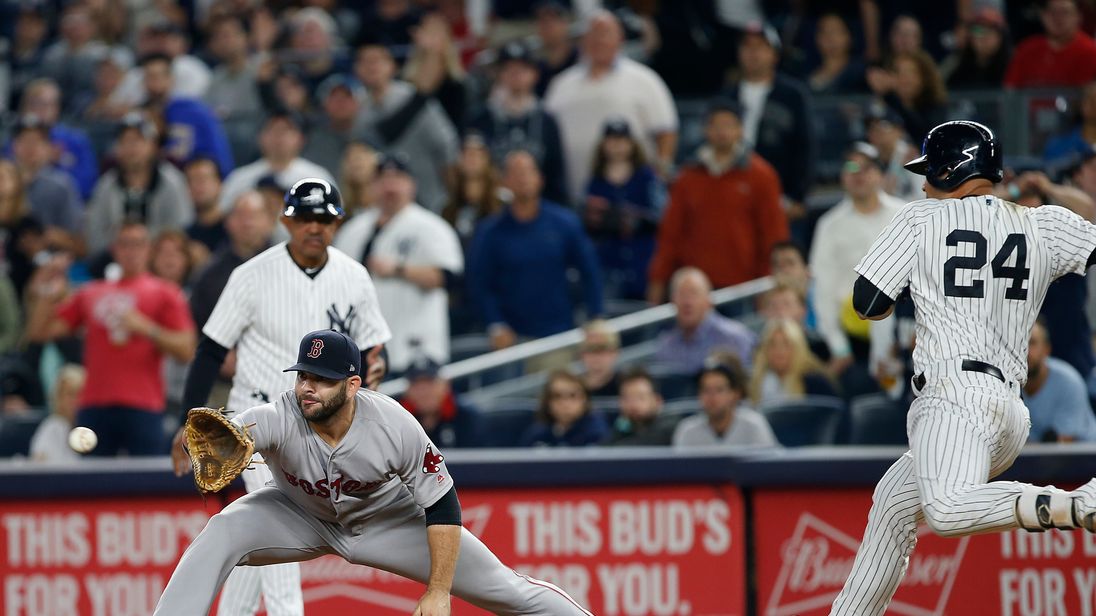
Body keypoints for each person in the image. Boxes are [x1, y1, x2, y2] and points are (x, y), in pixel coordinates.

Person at [831, 120, 1096, 615]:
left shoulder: (920, 220)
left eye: (931, 173)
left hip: (954, 397)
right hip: (1010, 414)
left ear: (954, 170)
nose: (925, 184)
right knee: (892, 506)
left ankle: (1077, 504)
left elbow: (867, 303)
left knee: (948, 509)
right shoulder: (1042, 223)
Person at [161, 329, 592, 615]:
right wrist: (232, 434)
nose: (308, 387)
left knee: (508, 591)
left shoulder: (393, 424)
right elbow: (246, 427)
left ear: (352, 386)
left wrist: (439, 590)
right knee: (222, 532)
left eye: (323, 379)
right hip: (299, 515)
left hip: (389, 521)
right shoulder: (279, 414)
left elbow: (442, 503)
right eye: (303, 375)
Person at [177, 179, 390, 616]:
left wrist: (375, 368)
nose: (315, 227)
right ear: (287, 219)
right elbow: (211, 350)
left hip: (322, 425)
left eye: (324, 219)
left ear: (338, 222)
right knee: (282, 516)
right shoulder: (251, 275)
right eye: (306, 217)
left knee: (258, 534)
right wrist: (188, 420)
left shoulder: (353, 276)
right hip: (255, 420)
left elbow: (373, 348)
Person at [24, 223, 196, 457]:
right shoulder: (90, 292)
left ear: (148, 250)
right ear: (114, 250)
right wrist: (46, 293)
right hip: (94, 403)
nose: (130, 251)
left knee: (145, 484)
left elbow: (187, 349)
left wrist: (147, 328)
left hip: (144, 403)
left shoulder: (165, 292)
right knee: (92, 484)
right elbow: (39, 333)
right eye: (125, 244)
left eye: (137, 244)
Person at [333, 153, 464, 373]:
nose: (390, 186)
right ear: (372, 186)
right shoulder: (353, 230)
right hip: (361, 349)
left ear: (412, 184)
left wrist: (399, 269)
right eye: (383, 179)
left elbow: (450, 279)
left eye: (398, 179)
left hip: (417, 350)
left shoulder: (431, 227)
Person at [646, 100, 787, 304]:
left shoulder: (762, 176)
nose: (722, 132)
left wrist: (768, 286)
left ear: (740, 130)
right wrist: (658, 280)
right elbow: (670, 235)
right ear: (706, 130)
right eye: (716, 125)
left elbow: (774, 235)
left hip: (745, 288)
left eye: (729, 125)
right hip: (695, 289)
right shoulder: (688, 176)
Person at [467, 150, 604, 350]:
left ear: (540, 179)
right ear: (505, 181)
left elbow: (590, 270)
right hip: (510, 341)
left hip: (557, 333)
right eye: (516, 173)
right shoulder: (489, 232)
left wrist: (595, 316)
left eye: (528, 171)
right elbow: (479, 283)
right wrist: (495, 324)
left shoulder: (564, 223)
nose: (523, 178)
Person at [545, 9, 678, 202]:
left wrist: (658, 179)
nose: (598, 40)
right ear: (582, 40)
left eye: (605, 33)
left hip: (631, 201)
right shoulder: (561, 84)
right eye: (593, 34)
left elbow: (666, 131)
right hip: (572, 195)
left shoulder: (644, 79)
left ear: (620, 38)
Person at [809, 142, 905, 372]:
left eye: (868, 168)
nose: (859, 175)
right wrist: (838, 346)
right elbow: (823, 290)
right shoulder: (829, 225)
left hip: (905, 335)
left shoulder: (906, 214)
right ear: (842, 176)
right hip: (854, 338)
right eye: (852, 167)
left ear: (881, 175)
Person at [353, 41, 459, 213]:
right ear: (356, 69)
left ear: (393, 67)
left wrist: (453, 196)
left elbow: (446, 147)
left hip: (432, 198)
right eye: (365, 61)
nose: (371, 66)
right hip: (383, 204)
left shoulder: (411, 98)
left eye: (378, 60)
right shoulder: (357, 109)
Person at [722, 22, 815, 215]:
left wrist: (798, 196)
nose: (753, 53)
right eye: (747, 46)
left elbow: (805, 146)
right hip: (733, 194)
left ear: (775, 54)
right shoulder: (726, 97)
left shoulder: (793, 95)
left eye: (761, 47)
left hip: (781, 196)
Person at [470, 40, 568, 205]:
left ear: (535, 74)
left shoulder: (546, 120)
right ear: (498, 74)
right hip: (491, 207)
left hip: (538, 209)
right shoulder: (480, 118)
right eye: (508, 69)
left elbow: (556, 175)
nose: (515, 75)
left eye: (522, 69)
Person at [85, 113, 194, 257]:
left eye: (138, 141)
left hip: (161, 260)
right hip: (117, 261)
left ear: (153, 145)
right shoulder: (106, 186)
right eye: (125, 141)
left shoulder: (172, 183)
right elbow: (95, 237)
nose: (131, 148)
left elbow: (181, 230)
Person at [583, 119, 665, 300]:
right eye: (612, 141)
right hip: (609, 263)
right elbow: (588, 222)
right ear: (603, 145)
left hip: (642, 260)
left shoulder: (647, 177)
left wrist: (633, 217)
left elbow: (661, 217)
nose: (617, 146)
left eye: (622, 140)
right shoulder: (596, 181)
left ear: (631, 144)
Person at [218, 110, 334, 212]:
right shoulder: (240, 178)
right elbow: (222, 216)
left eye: (286, 130)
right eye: (272, 129)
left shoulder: (317, 178)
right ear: (260, 137)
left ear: (301, 139)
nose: (279, 136)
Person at [140, 53, 234, 177]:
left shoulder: (195, 111)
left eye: (158, 76)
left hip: (195, 180)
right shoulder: (139, 115)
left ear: (171, 78)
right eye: (149, 76)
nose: (154, 82)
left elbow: (220, 156)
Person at [653, 267, 755, 374]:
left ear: (708, 300)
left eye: (693, 293)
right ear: (673, 301)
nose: (687, 302)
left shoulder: (735, 338)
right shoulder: (666, 345)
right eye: (682, 294)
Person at [9, 78, 98, 199]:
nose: (41, 110)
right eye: (35, 104)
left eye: (48, 104)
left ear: (57, 108)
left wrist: (57, 163)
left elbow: (87, 186)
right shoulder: (13, 141)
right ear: (25, 107)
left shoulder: (76, 141)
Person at [8, 115, 83, 248]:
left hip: (49, 258)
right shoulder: (4, 181)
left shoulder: (62, 184)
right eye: (24, 140)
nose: (30, 147)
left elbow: (80, 245)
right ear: (14, 146)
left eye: (37, 141)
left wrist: (50, 236)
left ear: (48, 147)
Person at [672, 358, 779, 448]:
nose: (712, 396)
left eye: (719, 390)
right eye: (706, 390)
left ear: (735, 394)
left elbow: (771, 469)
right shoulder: (687, 430)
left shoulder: (753, 425)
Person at [1024, 320, 1096, 443]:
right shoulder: (1004, 382)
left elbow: (1060, 444)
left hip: (1083, 458)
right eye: (1020, 344)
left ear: (1047, 349)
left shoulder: (1069, 381)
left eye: (1032, 343)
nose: (1025, 350)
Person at [1005, 0, 1096, 89]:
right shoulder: (1026, 49)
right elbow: (1009, 91)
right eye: (1052, 11)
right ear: (1042, 15)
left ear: (1079, 16)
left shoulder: (1090, 52)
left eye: (1065, 12)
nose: (1057, 18)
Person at [749, 318, 838, 407]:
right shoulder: (758, 381)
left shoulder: (815, 381)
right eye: (772, 344)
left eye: (786, 344)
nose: (779, 351)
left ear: (798, 348)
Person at [398, 355, 481, 449]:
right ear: (407, 390)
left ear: (445, 385)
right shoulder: (397, 421)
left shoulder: (466, 418)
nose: (423, 392)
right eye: (416, 384)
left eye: (430, 383)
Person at [867, 50, 948, 144]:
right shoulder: (882, 104)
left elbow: (924, 135)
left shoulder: (936, 106)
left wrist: (889, 96)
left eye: (910, 72)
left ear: (924, 77)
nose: (904, 79)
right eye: (898, 72)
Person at [519, 370, 609, 447]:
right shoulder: (536, 434)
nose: (565, 403)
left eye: (572, 396)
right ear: (547, 401)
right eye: (557, 396)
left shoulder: (597, 434)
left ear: (585, 400)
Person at [442, 134, 502, 247]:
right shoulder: (448, 208)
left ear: (488, 159)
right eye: (466, 153)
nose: (472, 158)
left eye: (478, 154)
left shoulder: (503, 204)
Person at [602, 368, 678, 446]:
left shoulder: (670, 427)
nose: (633, 404)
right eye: (627, 398)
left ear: (658, 401)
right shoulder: (623, 428)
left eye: (640, 397)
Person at [943, 8, 1012, 90]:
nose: (983, 36)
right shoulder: (955, 63)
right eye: (978, 30)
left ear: (1001, 37)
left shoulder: (1013, 66)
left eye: (990, 30)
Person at [29, 364, 86, 462]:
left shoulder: (93, 427)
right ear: (59, 397)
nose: (76, 401)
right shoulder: (53, 427)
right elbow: (40, 465)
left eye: (81, 394)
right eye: (71, 394)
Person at [805, 13, 867, 94]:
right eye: (824, 32)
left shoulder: (862, 74)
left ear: (850, 37)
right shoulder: (804, 73)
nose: (830, 38)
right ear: (816, 38)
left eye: (837, 31)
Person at [184, 157, 228, 261]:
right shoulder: (184, 237)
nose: (198, 185)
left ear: (219, 184)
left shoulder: (235, 230)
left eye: (204, 178)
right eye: (192, 180)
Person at [534, 0, 579, 96]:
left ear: (566, 24)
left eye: (553, 19)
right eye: (543, 21)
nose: (548, 26)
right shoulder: (537, 69)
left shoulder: (582, 59)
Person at [578, 319, 621, 398]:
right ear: (582, 353)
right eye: (590, 348)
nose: (596, 355)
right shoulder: (572, 390)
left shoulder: (626, 386)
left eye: (602, 348)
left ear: (615, 352)